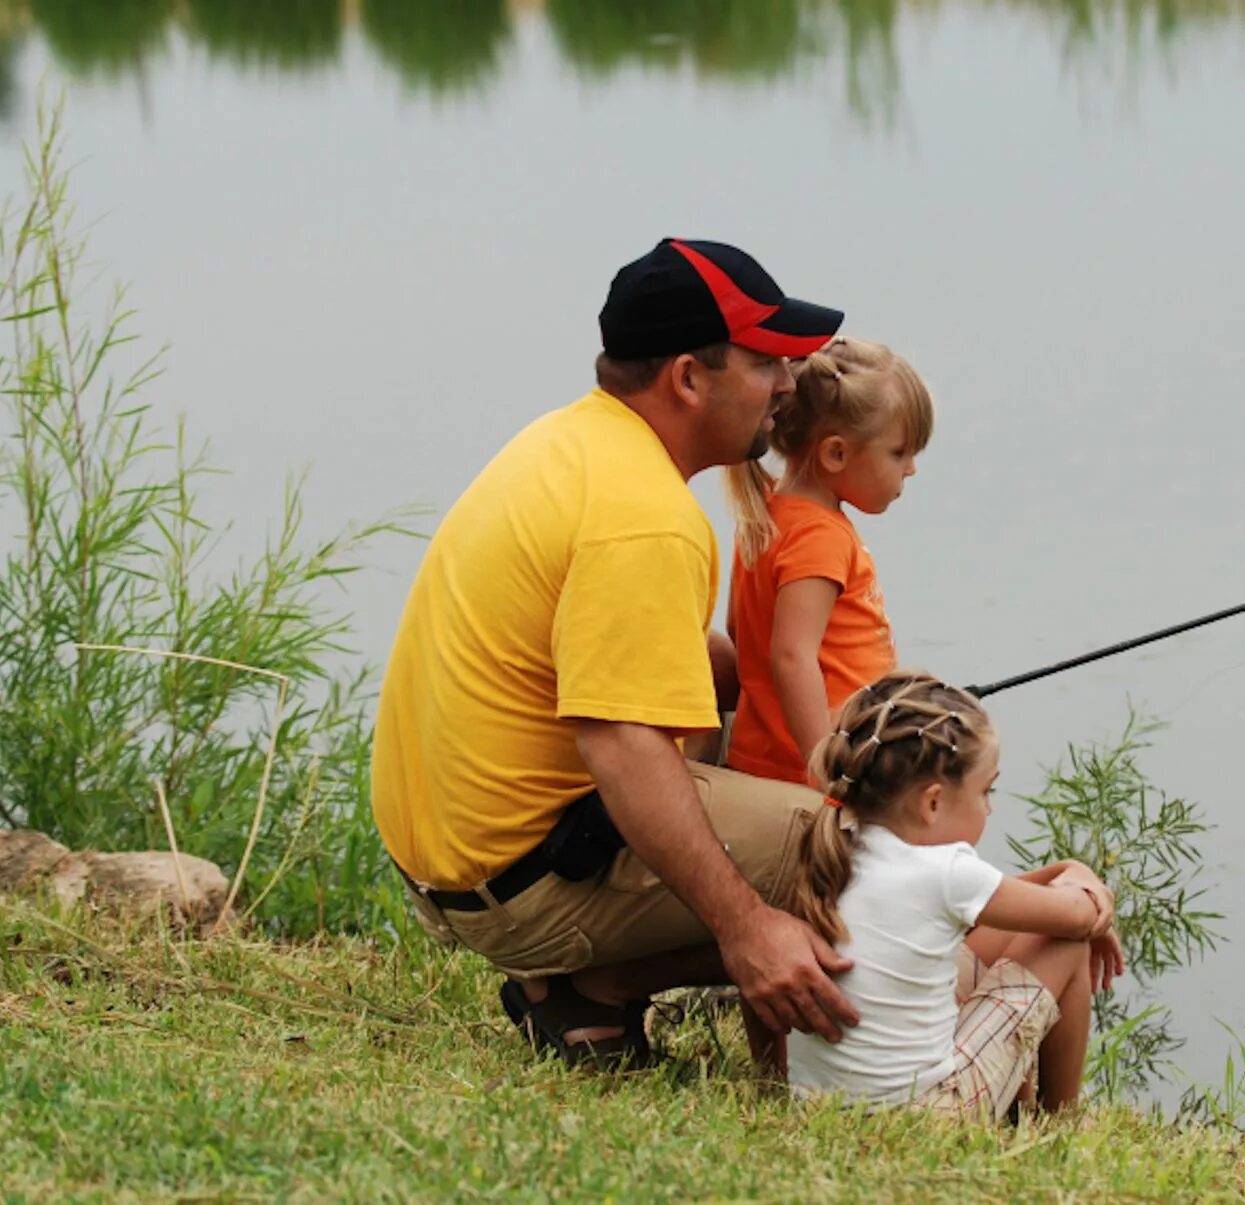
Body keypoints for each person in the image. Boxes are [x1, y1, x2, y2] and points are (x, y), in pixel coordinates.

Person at [372, 237, 861, 1067]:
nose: (788, 384)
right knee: (856, 849)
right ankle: (589, 983)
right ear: (687, 376)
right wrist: (746, 929)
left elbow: (633, 647)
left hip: (457, 865)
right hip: (522, 884)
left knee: (787, 798)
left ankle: (583, 987)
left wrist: (812, 689)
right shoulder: (646, 517)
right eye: (768, 359)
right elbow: (623, 745)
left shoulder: (570, 444)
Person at [785, 670, 1126, 1118]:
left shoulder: (840, 840)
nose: (991, 806)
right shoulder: (947, 874)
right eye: (986, 791)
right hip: (925, 1115)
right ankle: (1057, 1126)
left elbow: (1006, 909)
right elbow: (1077, 918)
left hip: (821, 1105)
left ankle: (1013, 1111)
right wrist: (1086, 881)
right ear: (932, 803)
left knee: (1003, 937)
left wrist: (1066, 871)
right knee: (1064, 943)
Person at [723, 338, 932, 785]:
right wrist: (827, 771)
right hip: (810, 771)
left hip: (768, 757)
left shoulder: (767, 511)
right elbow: (791, 657)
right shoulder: (818, 537)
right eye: (899, 452)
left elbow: (741, 632)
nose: (910, 469)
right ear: (836, 453)